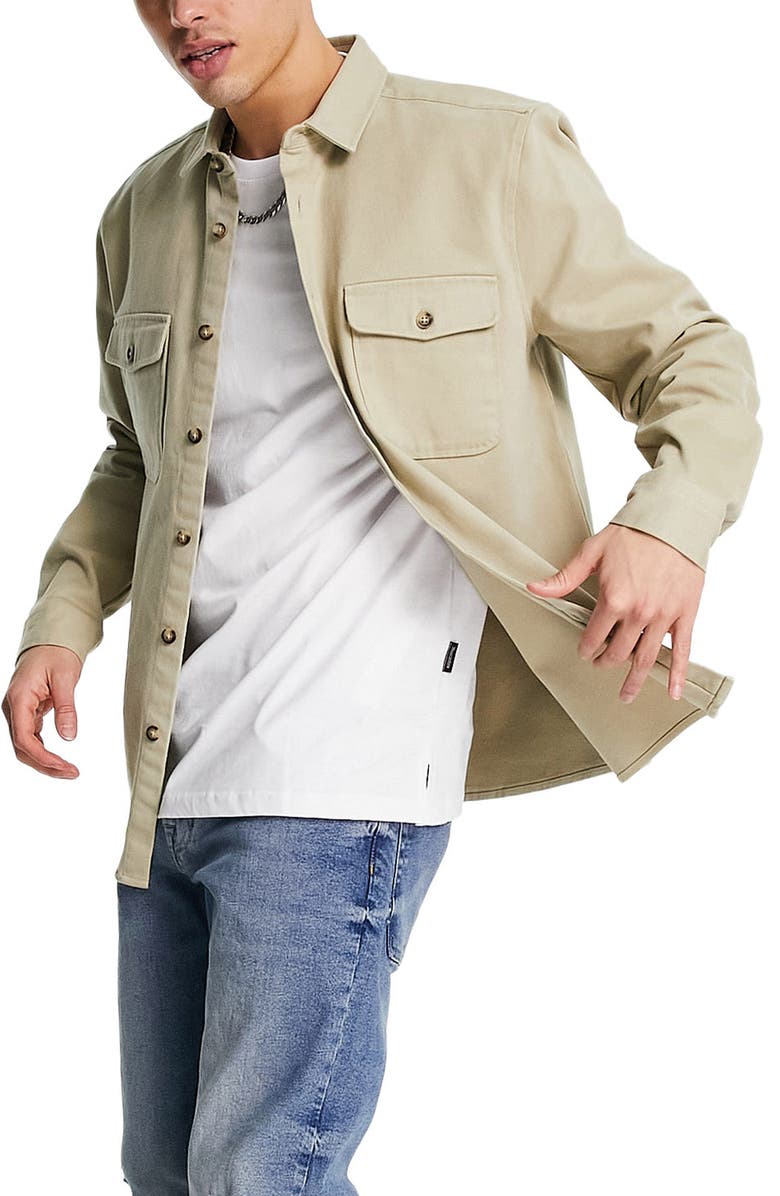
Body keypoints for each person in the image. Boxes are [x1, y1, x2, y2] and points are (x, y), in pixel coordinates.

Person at [3, 4, 762, 1194]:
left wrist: (669, 522)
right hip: (171, 781)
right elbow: (137, 458)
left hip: (342, 770)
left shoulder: (489, 153)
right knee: (165, 1175)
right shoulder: (141, 210)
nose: (183, 11)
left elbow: (694, 356)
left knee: (265, 1172)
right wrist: (63, 616)